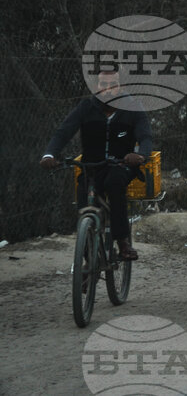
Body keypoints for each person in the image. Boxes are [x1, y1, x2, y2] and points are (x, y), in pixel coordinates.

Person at [39, 70, 152, 260]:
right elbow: (63, 132)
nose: (107, 89)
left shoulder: (133, 108)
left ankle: (122, 242)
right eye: (102, 84)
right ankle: (88, 261)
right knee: (83, 204)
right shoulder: (86, 107)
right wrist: (49, 154)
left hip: (121, 165)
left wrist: (140, 155)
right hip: (91, 166)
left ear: (121, 87)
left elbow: (145, 137)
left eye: (113, 84)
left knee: (115, 183)